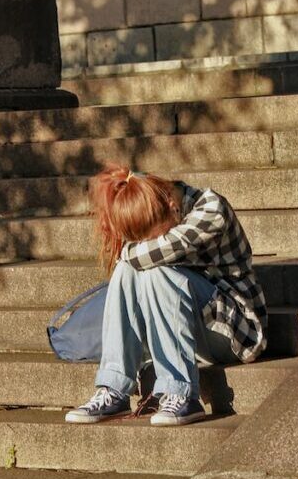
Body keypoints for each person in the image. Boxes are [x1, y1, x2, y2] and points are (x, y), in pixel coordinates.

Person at [65, 164, 267, 426]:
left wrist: (128, 252)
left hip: (236, 333)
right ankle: (114, 387)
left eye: (156, 234)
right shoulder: (160, 210)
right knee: (132, 270)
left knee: (152, 269)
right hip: (191, 332)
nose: (151, 241)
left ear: (171, 203)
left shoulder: (210, 209)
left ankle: (181, 394)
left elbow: (150, 252)